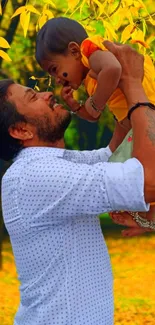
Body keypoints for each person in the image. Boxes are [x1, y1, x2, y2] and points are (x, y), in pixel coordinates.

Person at [1, 42, 155, 325]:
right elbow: (149, 178)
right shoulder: (36, 176)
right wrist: (134, 86)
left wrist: (117, 92)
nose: (49, 93)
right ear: (20, 130)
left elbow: (111, 156)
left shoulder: (52, 164)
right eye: (33, 97)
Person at [35, 17, 155, 228]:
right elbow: (93, 115)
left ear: (73, 51)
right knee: (121, 174)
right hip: (139, 122)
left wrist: (94, 103)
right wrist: (75, 106)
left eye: (54, 70)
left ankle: (147, 215)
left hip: (148, 112)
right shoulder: (92, 79)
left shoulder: (90, 51)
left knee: (127, 176)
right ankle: (148, 215)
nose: (57, 80)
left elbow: (114, 69)